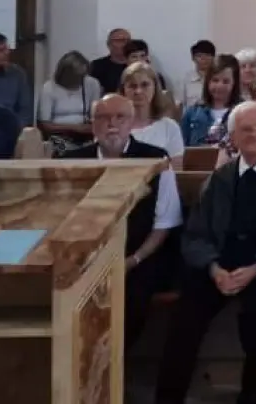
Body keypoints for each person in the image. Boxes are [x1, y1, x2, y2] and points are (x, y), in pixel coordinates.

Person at [156, 102, 256, 404]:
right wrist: (213, 268)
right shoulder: (219, 179)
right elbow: (195, 234)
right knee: (185, 317)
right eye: (245, 129)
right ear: (233, 138)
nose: (253, 135)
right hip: (218, 264)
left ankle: (251, 394)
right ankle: (168, 398)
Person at [59, 94, 183, 350]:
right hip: (84, 256)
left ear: (131, 122)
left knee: (133, 298)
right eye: (103, 118)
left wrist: (132, 260)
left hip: (138, 255)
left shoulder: (156, 160)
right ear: (93, 124)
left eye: (119, 117)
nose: (111, 124)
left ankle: (115, 371)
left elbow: (165, 223)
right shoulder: (70, 161)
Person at [122, 61, 186, 168]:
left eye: (144, 85)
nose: (138, 91)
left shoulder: (169, 127)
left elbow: (176, 170)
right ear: (123, 90)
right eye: (132, 86)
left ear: (155, 88)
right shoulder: (115, 126)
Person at [37, 50, 102, 152]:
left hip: (86, 136)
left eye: (83, 76)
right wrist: (75, 128)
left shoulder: (92, 84)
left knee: (93, 149)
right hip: (58, 136)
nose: (81, 80)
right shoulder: (48, 88)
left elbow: (97, 114)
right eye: (77, 76)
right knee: (65, 152)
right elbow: (45, 125)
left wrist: (90, 127)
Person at [182, 54, 241, 147]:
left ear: (234, 83)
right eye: (215, 80)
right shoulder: (192, 112)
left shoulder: (243, 111)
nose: (219, 86)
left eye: (226, 81)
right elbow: (183, 146)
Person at [90, 27, 133, 94]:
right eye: (120, 40)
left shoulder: (136, 66)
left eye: (128, 41)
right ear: (109, 44)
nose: (125, 44)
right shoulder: (96, 66)